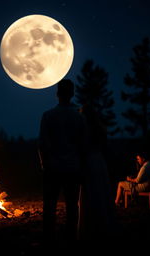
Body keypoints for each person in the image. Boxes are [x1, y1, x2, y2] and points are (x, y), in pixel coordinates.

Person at [38, 79, 87, 246]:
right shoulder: (79, 118)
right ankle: (71, 238)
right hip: (73, 167)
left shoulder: (48, 116)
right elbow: (83, 145)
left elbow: (43, 144)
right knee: (72, 205)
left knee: (49, 205)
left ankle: (49, 239)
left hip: (53, 167)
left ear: (57, 94)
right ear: (72, 94)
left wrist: (44, 164)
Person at [77, 104, 116, 241]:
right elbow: (105, 147)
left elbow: (81, 148)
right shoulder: (100, 129)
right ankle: (104, 225)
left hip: (89, 163)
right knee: (101, 193)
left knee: (90, 194)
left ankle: (90, 228)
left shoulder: (84, 130)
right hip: (99, 162)